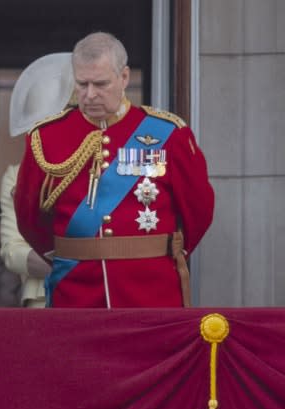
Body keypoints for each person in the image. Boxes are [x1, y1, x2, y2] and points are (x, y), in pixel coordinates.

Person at [14, 32, 215, 308]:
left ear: (124, 77)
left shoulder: (168, 134)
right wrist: (71, 255)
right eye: (82, 84)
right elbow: (29, 217)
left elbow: (198, 211)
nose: (90, 94)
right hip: (75, 292)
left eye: (101, 83)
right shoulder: (47, 137)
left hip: (151, 291)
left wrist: (159, 252)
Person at [0, 52, 75, 308]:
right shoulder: (17, 174)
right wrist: (66, 268)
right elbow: (12, 250)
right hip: (42, 297)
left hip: (105, 295)